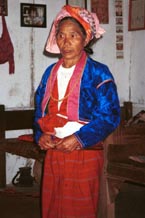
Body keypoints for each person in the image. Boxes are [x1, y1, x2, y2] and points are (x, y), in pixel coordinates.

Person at [34, 5, 120, 218]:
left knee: (79, 208)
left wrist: (79, 138)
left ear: (85, 39)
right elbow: (39, 112)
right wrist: (40, 135)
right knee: (53, 205)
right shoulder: (50, 73)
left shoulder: (98, 72)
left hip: (84, 151)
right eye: (61, 36)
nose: (66, 41)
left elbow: (110, 116)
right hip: (54, 149)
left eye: (73, 35)